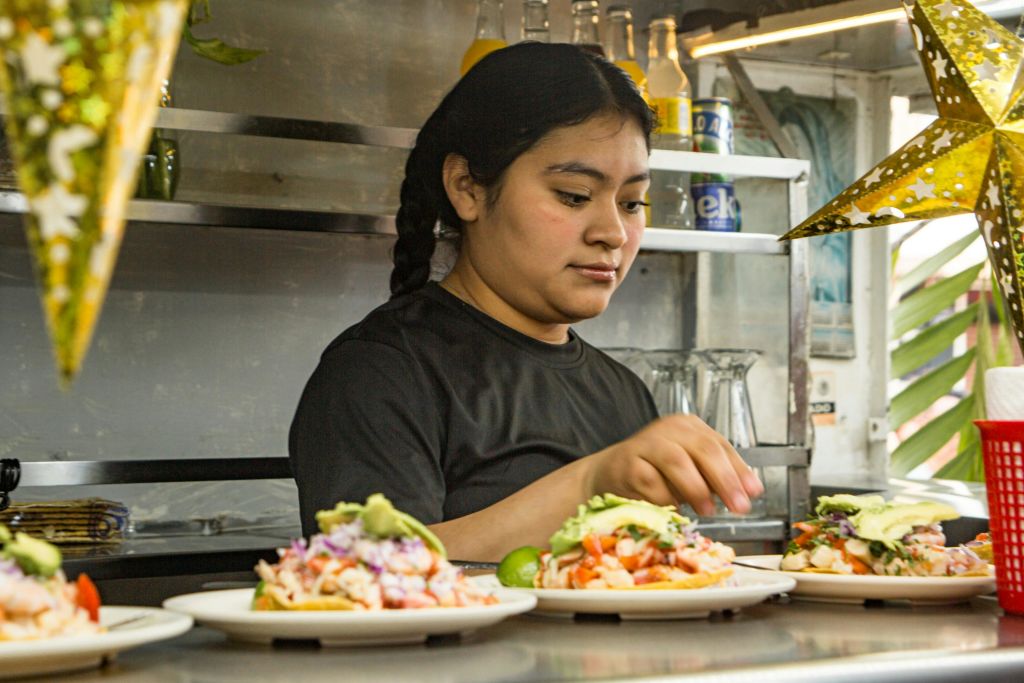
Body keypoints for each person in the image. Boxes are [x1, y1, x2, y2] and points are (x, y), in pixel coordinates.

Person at [289, 42, 763, 561]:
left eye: (631, 203)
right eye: (574, 195)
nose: (612, 232)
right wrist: (589, 486)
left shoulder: (623, 392)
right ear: (467, 188)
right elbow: (367, 570)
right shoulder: (379, 372)